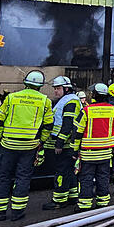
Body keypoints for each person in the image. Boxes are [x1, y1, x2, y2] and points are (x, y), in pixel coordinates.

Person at [0, 70, 53, 222]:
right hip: (30, 146)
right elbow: (48, 125)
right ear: (40, 86)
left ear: (26, 83)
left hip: (8, 145)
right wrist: (41, 142)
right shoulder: (45, 101)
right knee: (23, 178)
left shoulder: (11, 98)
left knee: (2, 177)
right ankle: (17, 211)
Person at [72, 83, 114, 211]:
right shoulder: (113, 110)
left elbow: (77, 132)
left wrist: (74, 150)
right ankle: (103, 202)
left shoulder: (86, 111)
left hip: (88, 153)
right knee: (103, 178)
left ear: (94, 95)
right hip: (106, 153)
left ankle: (84, 205)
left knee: (86, 179)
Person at [41, 76, 81, 210]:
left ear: (66, 89)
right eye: (55, 88)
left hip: (65, 144)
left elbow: (68, 124)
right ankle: (72, 197)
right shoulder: (65, 101)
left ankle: (59, 201)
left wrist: (59, 143)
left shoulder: (70, 102)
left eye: (58, 88)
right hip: (65, 143)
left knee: (61, 172)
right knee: (69, 171)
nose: (55, 91)